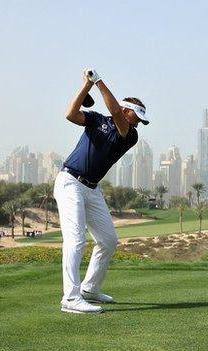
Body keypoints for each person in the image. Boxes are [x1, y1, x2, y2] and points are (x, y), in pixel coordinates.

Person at [53, 68, 149, 314]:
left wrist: (98, 82)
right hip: (70, 183)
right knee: (75, 241)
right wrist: (87, 85)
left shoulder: (130, 135)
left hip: (92, 190)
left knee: (108, 240)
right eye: (136, 116)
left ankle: (89, 289)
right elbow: (70, 114)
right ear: (128, 110)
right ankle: (71, 299)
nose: (138, 122)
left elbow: (115, 111)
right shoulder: (96, 119)